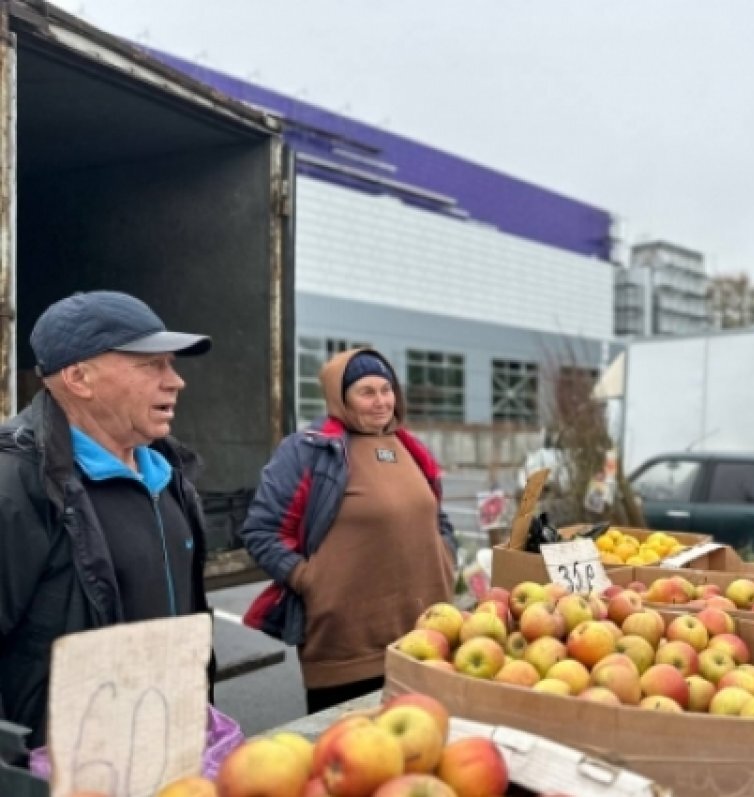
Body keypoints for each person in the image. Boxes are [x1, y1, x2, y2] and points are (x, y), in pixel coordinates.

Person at [0, 291, 212, 747]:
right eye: (151, 365)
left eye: (172, 364)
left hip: (167, 754)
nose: (175, 381)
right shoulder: (17, 483)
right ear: (79, 377)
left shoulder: (168, 474)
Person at [241, 348, 458, 713]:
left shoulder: (410, 447)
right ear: (340, 399)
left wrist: (446, 556)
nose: (381, 402)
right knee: (355, 754)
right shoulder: (310, 450)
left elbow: (437, 516)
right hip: (347, 651)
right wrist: (314, 581)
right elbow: (262, 531)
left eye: (386, 390)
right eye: (366, 392)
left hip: (427, 639)